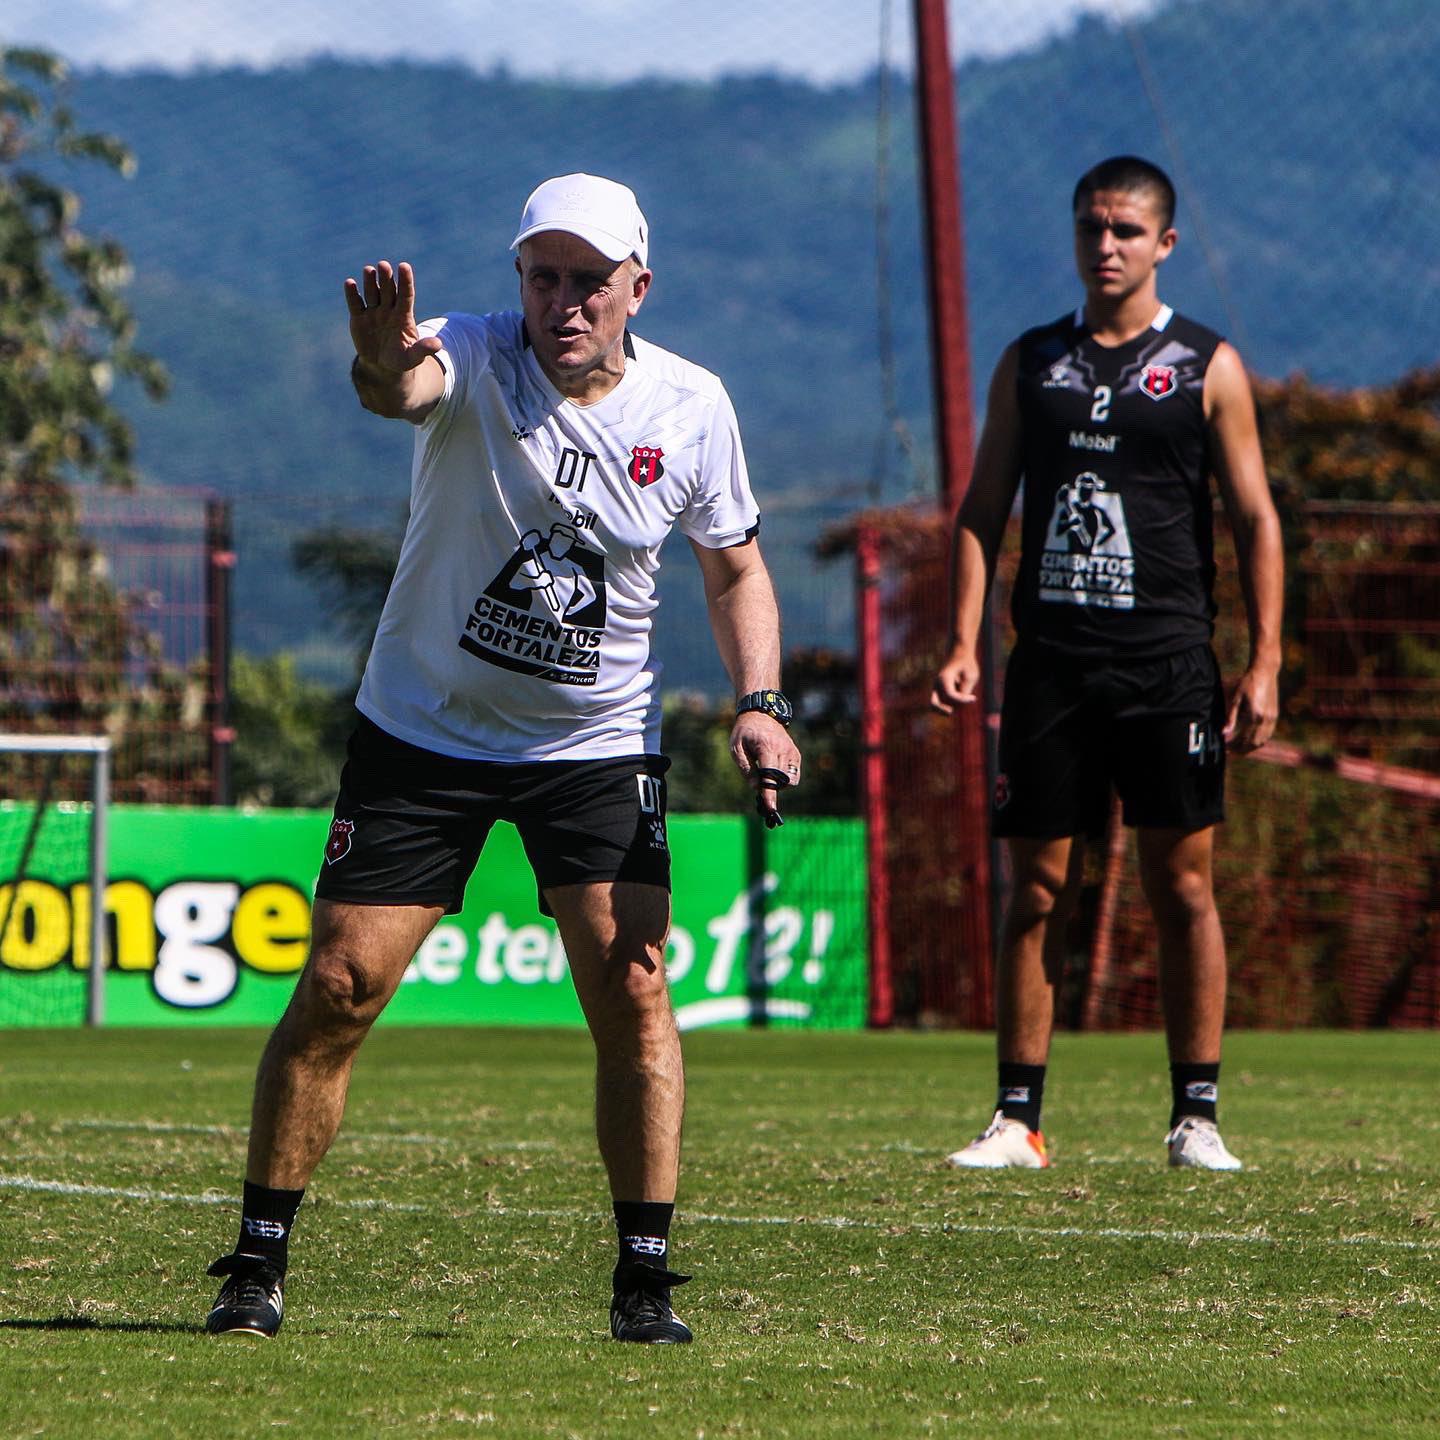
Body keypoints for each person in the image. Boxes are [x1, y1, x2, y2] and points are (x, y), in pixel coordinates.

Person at [204, 173, 801, 1342]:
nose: (563, 302)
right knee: (339, 987)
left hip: (592, 746)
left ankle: (643, 1283)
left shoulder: (692, 406)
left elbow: (735, 570)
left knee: (633, 987)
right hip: (423, 729)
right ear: (517, 281)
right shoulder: (474, 354)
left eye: (589, 282)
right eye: (543, 277)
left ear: (639, 288)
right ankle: (256, 1264)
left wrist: (761, 701)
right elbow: (403, 387)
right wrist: (378, 356)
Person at [931, 156, 1282, 1171]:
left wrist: (1264, 663)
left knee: (1184, 888)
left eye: (1127, 229)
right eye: (1093, 228)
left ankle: (1197, 1117)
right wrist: (964, 640)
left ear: (1164, 242)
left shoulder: (1206, 366)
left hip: (1169, 665)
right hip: (1049, 666)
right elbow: (979, 511)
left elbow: (1257, 519)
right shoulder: (1032, 361)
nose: (1107, 246)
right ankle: (1017, 1120)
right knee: (1035, 891)